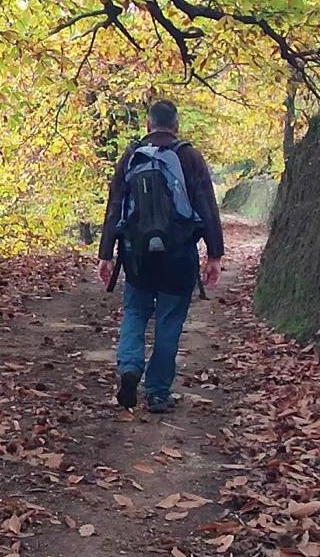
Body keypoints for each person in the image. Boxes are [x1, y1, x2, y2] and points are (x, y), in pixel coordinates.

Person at [96, 100, 224, 414]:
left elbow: (115, 207)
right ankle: (156, 393)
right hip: (178, 256)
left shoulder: (131, 156)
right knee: (169, 321)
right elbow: (207, 207)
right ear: (176, 125)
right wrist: (214, 255)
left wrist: (106, 255)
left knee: (135, 312)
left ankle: (129, 368)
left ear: (148, 126)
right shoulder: (189, 156)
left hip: (137, 255)